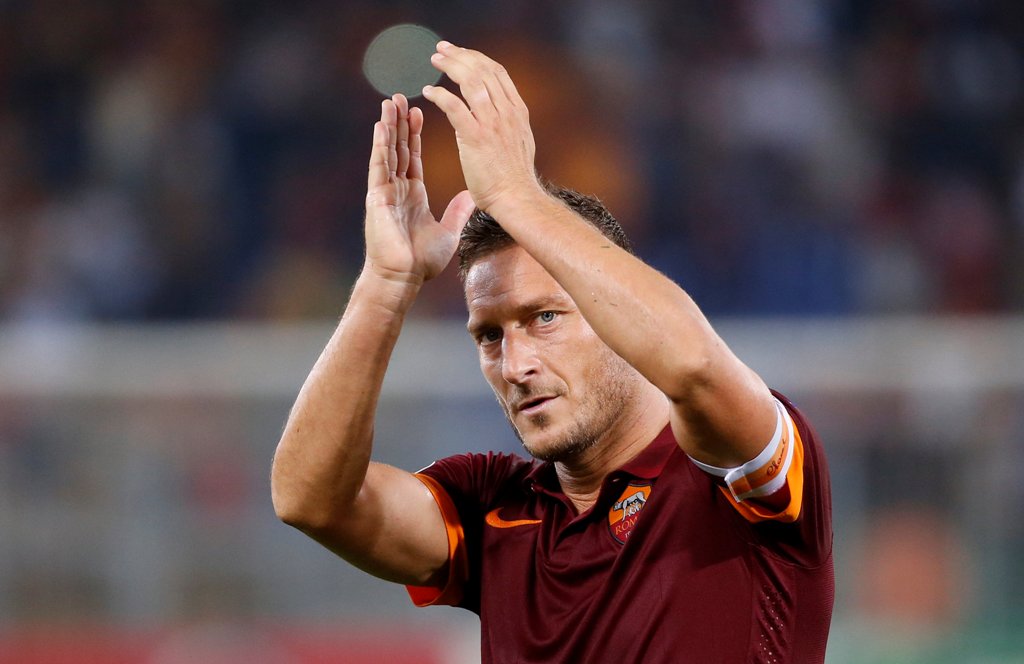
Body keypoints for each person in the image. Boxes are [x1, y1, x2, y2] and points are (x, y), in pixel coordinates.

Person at [271, 41, 834, 663]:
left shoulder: (733, 471)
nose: (516, 365)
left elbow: (697, 369)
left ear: (610, 311)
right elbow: (309, 499)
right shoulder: (495, 507)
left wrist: (519, 196)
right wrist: (386, 285)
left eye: (545, 318)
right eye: (489, 335)